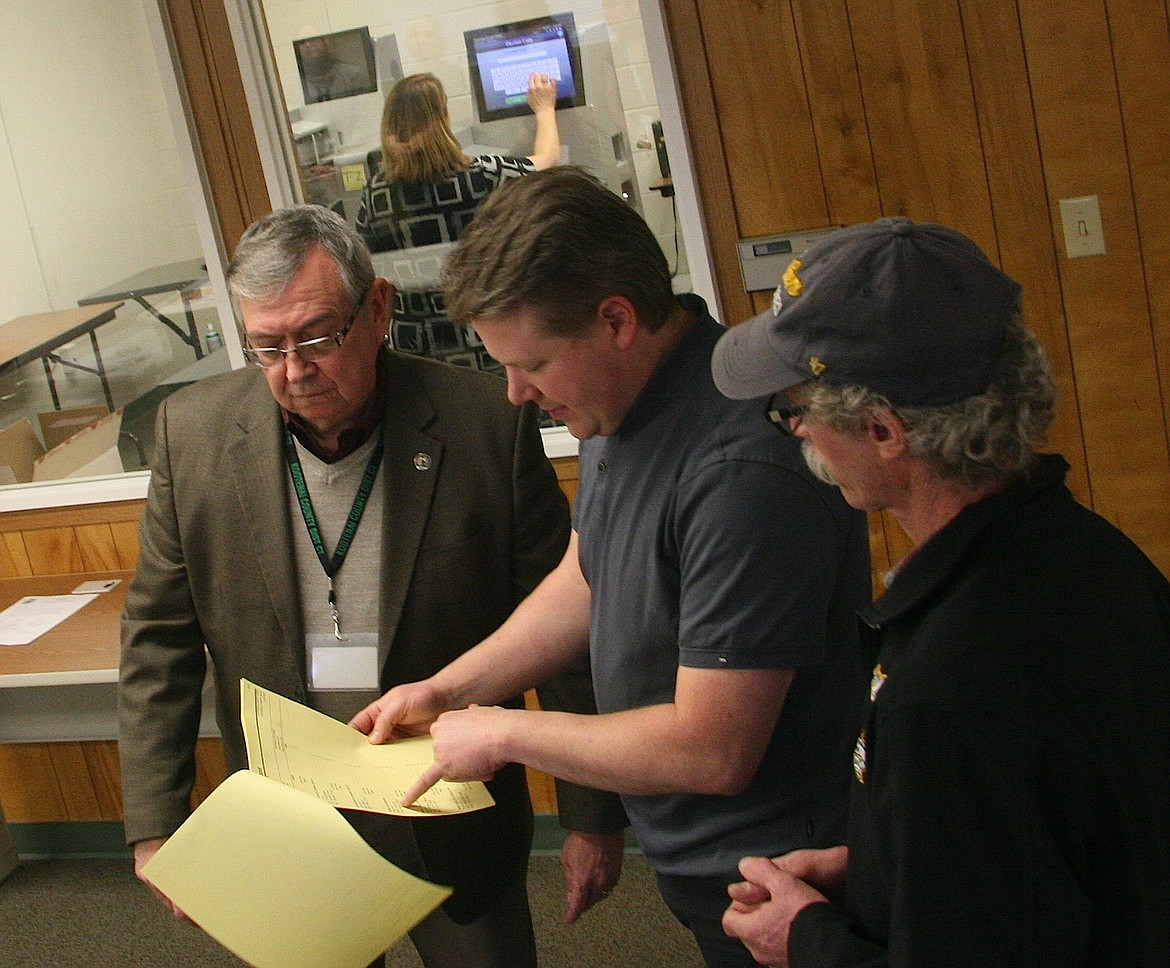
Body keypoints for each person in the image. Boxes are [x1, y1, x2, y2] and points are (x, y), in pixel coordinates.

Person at [349, 168, 872, 968]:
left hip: (785, 877)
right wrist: (450, 688)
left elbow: (711, 750)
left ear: (617, 320)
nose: (516, 394)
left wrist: (505, 732)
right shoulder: (612, 405)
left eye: (533, 365)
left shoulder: (741, 470)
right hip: (702, 857)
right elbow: (587, 577)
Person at [118, 204, 627, 968]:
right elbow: (159, 640)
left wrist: (592, 816)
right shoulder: (188, 434)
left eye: (319, 336)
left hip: (445, 807)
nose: (295, 370)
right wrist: (154, 823)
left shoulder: (487, 421)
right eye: (267, 346)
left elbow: (559, 626)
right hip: (288, 815)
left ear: (379, 307)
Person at [712, 216, 1170, 967]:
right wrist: (881, 865)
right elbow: (1055, 851)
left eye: (794, 409)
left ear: (884, 430)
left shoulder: (949, 688)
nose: (794, 430)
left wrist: (804, 938)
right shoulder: (1096, 559)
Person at [355, 71, 560, 374]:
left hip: (416, 352)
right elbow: (546, 161)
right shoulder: (484, 176)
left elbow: (366, 263)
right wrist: (545, 109)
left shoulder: (376, 194)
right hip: (482, 341)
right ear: (443, 120)